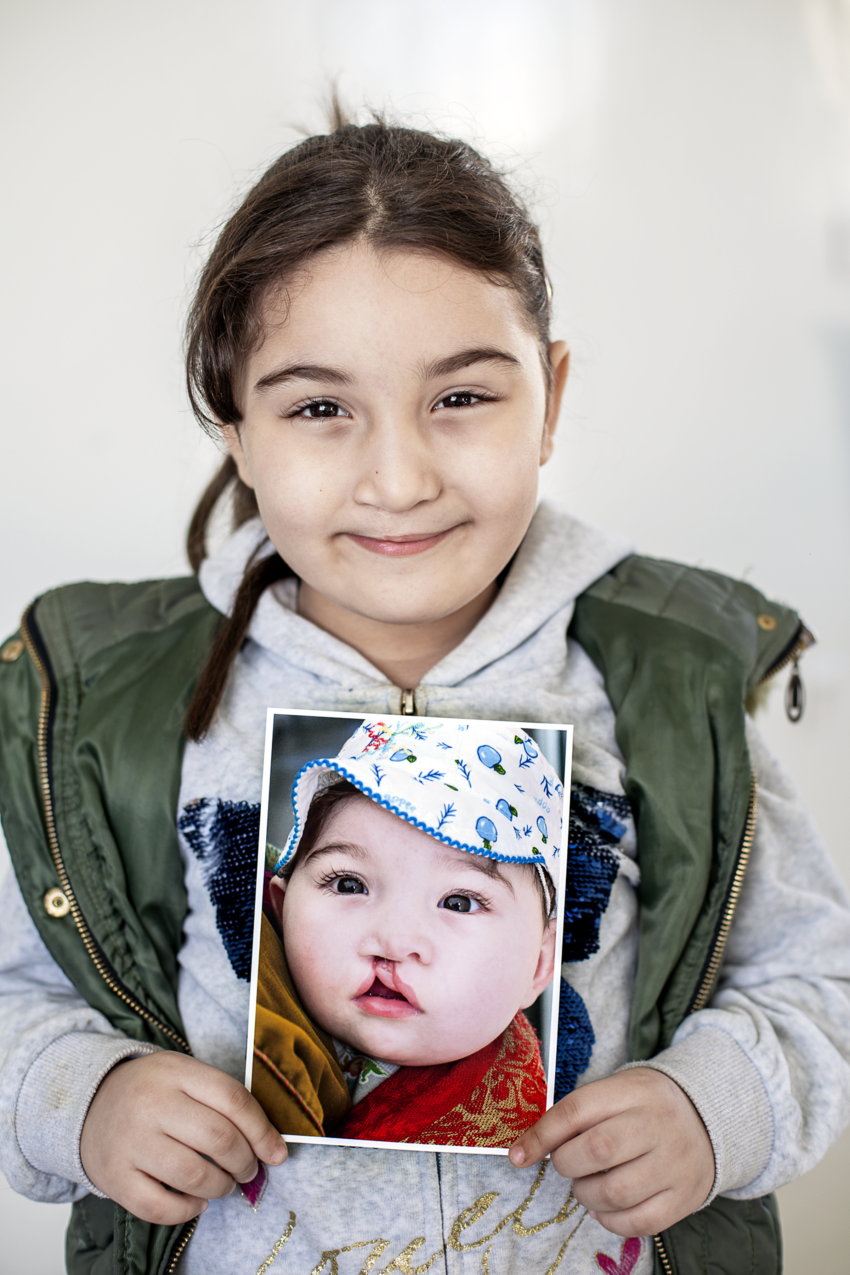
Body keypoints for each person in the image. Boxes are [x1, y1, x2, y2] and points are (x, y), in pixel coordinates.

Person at [0, 108, 848, 1275]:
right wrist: (79, 1100)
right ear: (236, 429)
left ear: (549, 395)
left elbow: (812, 974)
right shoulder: (110, 709)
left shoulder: (666, 679)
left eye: (461, 398)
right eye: (316, 408)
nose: (397, 477)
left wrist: (718, 1110)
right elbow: (14, 995)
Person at [253, 719, 560, 1147]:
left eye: (459, 902)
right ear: (281, 912)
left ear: (540, 964)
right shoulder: (244, 1020)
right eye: (348, 884)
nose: (393, 943)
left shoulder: (555, 1134)